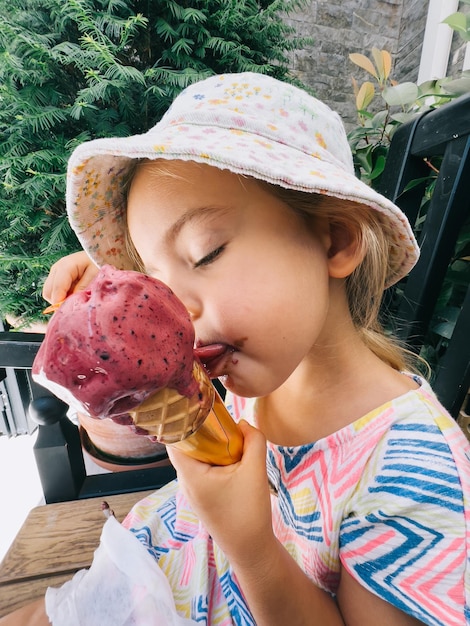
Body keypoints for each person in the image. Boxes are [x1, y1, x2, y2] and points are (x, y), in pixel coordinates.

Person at [2, 72, 469, 626]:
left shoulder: (415, 477)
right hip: (169, 560)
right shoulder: (263, 358)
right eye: (155, 275)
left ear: (337, 240)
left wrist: (250, 545)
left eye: (205, 253)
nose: (177, 308)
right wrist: (107, 305)